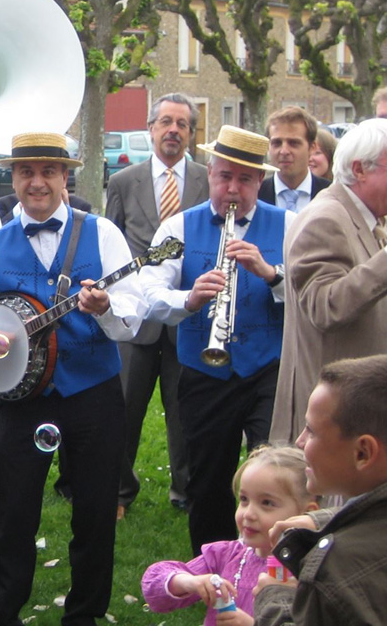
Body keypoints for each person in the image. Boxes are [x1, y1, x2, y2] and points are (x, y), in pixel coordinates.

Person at [0, 132, 145, 626]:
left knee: (95, 512)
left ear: (64, 177)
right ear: (12, 178)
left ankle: (84, 615)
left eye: (48, 171)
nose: (37, 182)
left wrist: (107, 305)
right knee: (10, 514)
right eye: (26, 172)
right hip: (24, 398)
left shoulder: (102, 234)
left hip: (93, 391)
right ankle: (4, 611)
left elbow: (137, 313)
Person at [139, 125, 292, 555]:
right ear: (209, 172)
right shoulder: (178, 227)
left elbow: (310, 291)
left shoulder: (290, 225)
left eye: (245, 179)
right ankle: (212, 570)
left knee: (274, 473)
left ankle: (267, 571)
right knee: (206, 479)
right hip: (204, 371)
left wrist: (272, 275)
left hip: (268, 368)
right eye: (225, 176)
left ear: (260, 182)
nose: (232, 188)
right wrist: (188, 298)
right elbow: (149, 294)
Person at [106, 93, 209, 518]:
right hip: (136, 318)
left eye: (182, 124)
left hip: (187, 316)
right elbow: (109, 244)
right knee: (125, 406)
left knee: (184, 408)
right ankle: (117, 491)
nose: (172, 130)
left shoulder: (207, 180)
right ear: (150, 129)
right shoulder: (123, 182)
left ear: (190, 134)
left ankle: (185, 489)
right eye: (165, 122)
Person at [269, 119, 387, 443]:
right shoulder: (325, 219)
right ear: (360, 169)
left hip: (357, 412)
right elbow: (326, 307)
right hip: (332, 424)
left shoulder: (364, 217)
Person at [254, 357, 387, 625]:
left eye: (311, 431)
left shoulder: (337, 571)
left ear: (363, 452)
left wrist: (274, 600)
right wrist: (324, 520)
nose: (300, 441)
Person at [142, 445, 318, 626]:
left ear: (306, 513)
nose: (248, 513)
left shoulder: (314, 571)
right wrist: (190, 582)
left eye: (267, 503)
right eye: (244, 499)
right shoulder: (227, 555)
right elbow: (154, 584)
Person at [258, 108, 329, 212]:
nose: (284, 151)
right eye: (277, 143)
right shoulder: (255, 196)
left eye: (293, 143)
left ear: (312, 148)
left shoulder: (330, 195)